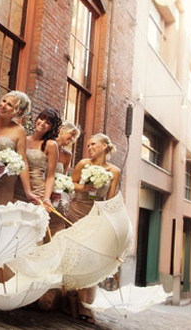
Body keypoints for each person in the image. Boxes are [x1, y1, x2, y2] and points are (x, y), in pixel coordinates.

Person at [66, 133, 121, 324]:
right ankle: (72, 305)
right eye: (88, 145)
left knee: (90, 259)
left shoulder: (114, 171)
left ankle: (86, 306)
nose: (89, 148)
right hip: (76, 211)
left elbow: (111, 198)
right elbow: (71, 184)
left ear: (105, 146)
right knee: (74, 255)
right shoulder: (83, 164)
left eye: (93, 144)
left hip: (95, 213)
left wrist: (108, 220)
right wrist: (85, 189)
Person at [17, 109, 61, 215]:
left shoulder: (50, 145)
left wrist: (46, 198)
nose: (42, 123)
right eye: (41, 118)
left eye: (48, 123)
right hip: (17, 188)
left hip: (37, 191)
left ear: (51, 127)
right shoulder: (23, 139)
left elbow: (50, 176)